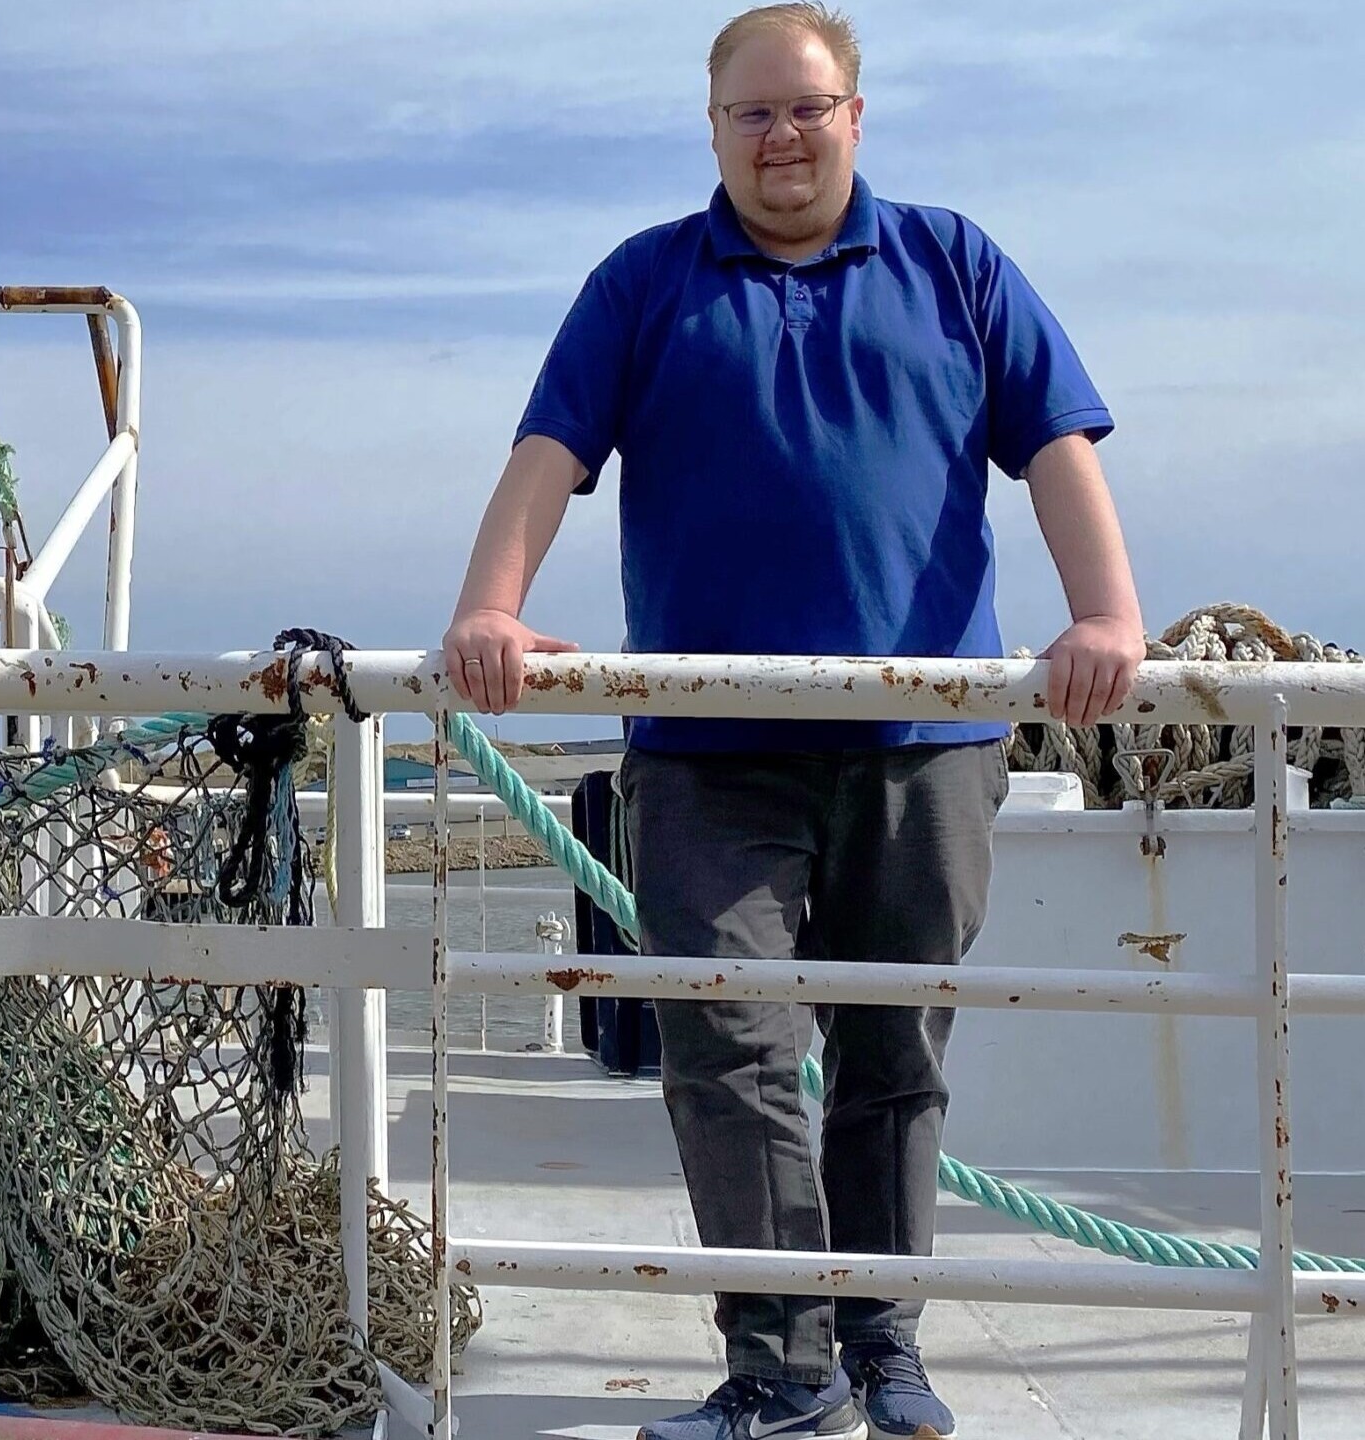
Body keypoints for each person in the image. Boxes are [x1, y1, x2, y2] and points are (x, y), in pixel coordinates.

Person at [437, 5, 1144, 1438]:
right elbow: (549, 453)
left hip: (926, 750)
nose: (783, 137)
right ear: (714, 131)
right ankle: (785, 1370)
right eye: (752, 114)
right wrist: (490, 608)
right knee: (729, 1050)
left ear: (855, 117)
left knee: (892, 1058)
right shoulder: (644, 284)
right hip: (710, 755)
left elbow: (1055, 445)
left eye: (808, 109)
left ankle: (888, 1348)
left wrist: (1108, 619)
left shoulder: (956, 262)